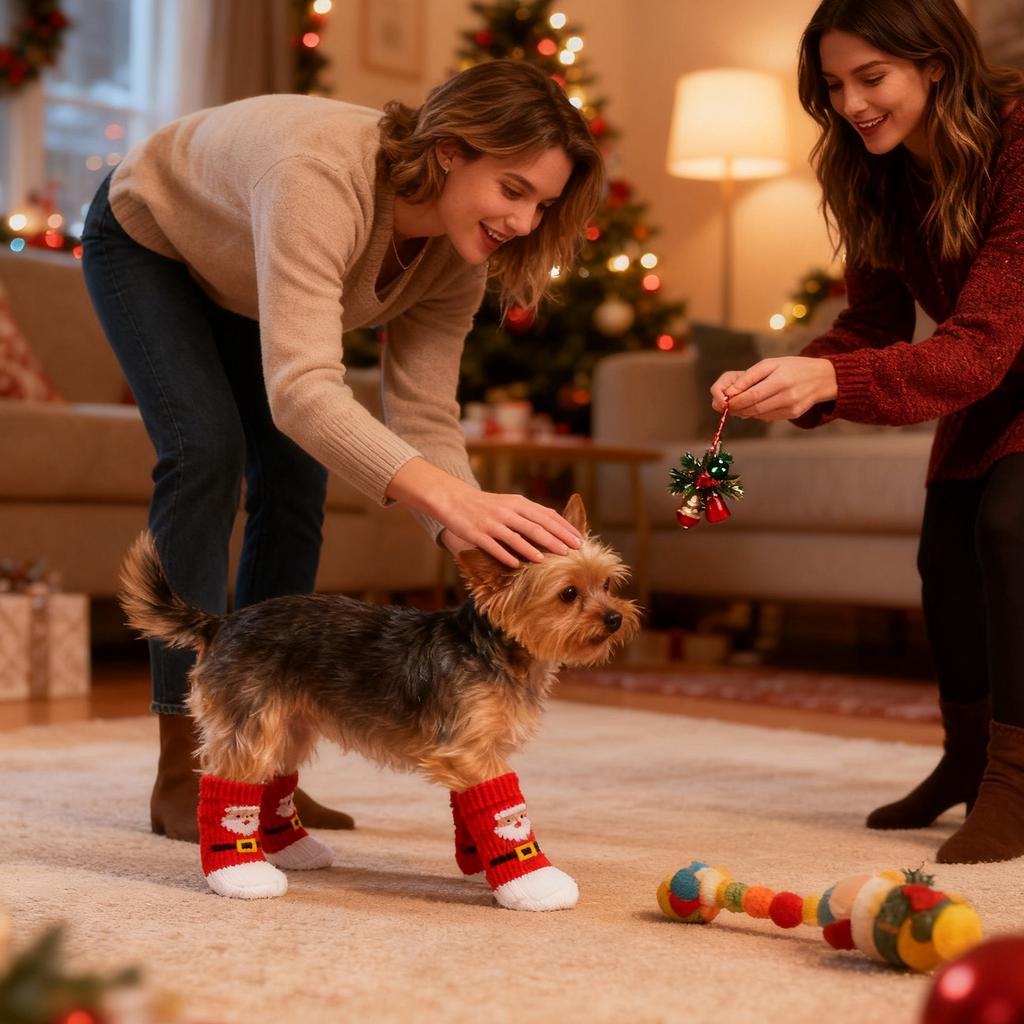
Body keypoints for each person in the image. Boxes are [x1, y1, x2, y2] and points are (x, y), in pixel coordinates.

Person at [81, 60, 605, 843]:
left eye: (544, 205)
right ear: (452, 151)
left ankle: (269, 772)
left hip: (249, 278)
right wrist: (449, 499)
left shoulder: (457, 257)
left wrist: (471, 532)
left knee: (297, 480)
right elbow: (301, 390)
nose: (525, 224)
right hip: (153, 242)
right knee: (207, 453)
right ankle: (188, 770)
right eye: (514, 190)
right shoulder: (319, 177)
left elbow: (425, 414)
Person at [710, 0, 1024, 864]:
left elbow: (985, 341)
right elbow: (874, 326)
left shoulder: (1018, 140)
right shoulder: (873, 171)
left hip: (996, 361)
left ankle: (1016, 783)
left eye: (871, 78)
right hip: (986, 384)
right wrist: (793, 377)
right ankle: (967, 760)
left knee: (1010, 528)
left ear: (935, 62)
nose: (850, 104)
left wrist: (833, 379)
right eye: (834, 84)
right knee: (944, 558)